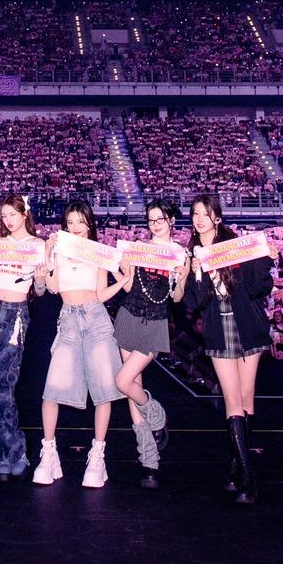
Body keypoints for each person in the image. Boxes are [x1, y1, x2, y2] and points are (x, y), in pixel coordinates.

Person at [181, 192, 274, 505]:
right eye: (195, 213)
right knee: (232, 400)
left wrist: (266, 259)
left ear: (217, 217)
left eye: (205, 213)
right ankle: (248, 479)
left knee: (247, 401)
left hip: (248, 324)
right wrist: (196, 271)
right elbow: (194, 303)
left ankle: (237, 468)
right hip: (218, 329)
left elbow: (259, 287)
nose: (199, 219)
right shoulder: (191, 252)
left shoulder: (235, 244)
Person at [34, 199, 127, 488]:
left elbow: (100, 293)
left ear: (89, 223)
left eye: (80, 221)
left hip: (96, 319)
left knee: (104, 389)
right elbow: (52, 287)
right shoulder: (59, 249)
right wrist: (46, 256)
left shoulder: (97, 252)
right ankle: (48, 454)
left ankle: (97, 457)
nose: (75, 227)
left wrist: (123, 279)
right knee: (52, 388)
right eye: (70, 222)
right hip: (68, 320)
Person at [112, 199, 188, 488]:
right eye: (151, 220)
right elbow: (130, 286)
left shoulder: (180, 253)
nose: (155, 224)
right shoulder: (138, 248)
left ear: (171, 220)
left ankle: (157, 416)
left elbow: (177, 298)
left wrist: (181, 277)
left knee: (123, 381)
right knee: (132, 387)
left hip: (155, 322)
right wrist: (121, 269)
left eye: (160, 219)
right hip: (128, 316)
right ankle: (148, 458)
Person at [0, 193, 43, 482]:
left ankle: (16, 449)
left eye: (12, 214)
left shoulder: (38, 246)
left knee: (3, 383)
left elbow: (40, 290)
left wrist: (40, 277)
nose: (8, 220)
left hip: (16, 315)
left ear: (25, 213)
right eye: (4, 215)